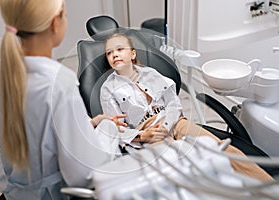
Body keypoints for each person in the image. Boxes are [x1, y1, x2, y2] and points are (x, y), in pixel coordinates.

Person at [0, 1, 125, 199]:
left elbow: (37, 131)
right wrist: (108, 131)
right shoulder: (59, 83)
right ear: (54, 23)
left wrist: (90, 123)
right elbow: (83, 175)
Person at [100, 33, 273, 181]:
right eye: (109, 53)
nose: (114, 55)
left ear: (132, 53)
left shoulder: (151, 74)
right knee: (179, 167)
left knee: (218, 148)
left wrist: (167, 125)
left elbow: (173, 103)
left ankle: (268, 188)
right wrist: (144, 135)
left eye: (119, 49)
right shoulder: (108, 88)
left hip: (173, 120)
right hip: (147, 133)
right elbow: (116, 128)